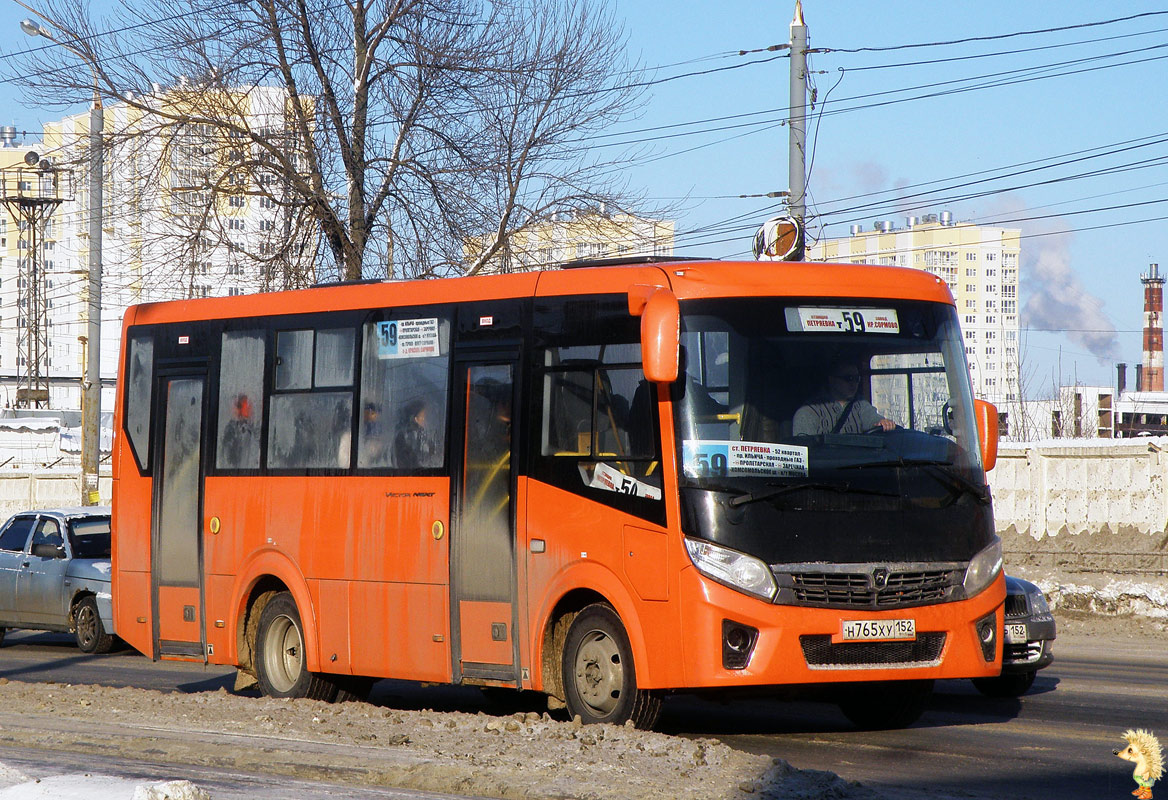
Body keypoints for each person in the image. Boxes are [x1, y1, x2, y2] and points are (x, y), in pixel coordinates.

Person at [792, 361, 896, 435]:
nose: (853, 383)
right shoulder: (807, 412)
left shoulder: (860, 404)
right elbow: (805, 453)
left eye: (856, 379)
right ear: (832, 380)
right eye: (848, 378)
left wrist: (882, 422)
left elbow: (872, 418)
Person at [393, 398, 437, 469]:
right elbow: (414, 460)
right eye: (422, 416)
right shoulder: (408, 436)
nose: (424, 419)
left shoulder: (419, 434)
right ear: (415, 418)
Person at [220, 393, 258, 467]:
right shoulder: (231, 429)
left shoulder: (252, 428)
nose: (250, 408)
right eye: (247, 405)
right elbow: (227, 456)